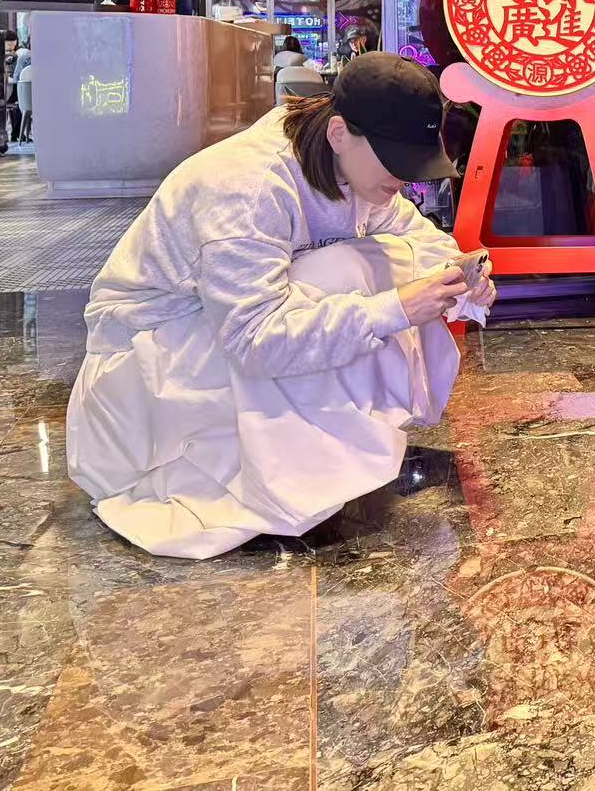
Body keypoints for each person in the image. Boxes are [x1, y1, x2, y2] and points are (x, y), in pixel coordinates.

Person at [66, 53, 496, 558]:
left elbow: (411, 233)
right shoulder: (246, 189)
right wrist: (395, 309)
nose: (406, 180)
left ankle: (322, 447)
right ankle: (283, 471)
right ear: (340, 133)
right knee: (340, 273)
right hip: (145, 377)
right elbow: (254, 339)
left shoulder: (343, 163)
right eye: (395, 160)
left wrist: (459, 274)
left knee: (381, 259)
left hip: (210, 338)